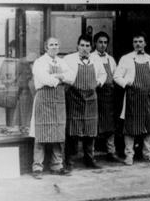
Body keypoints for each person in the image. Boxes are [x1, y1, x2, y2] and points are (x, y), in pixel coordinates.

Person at [29, 37, 75, 179]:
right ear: (45, 47)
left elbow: (72, 77)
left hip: (59, 102)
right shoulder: (39, 62)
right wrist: (60, 78)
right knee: (40, 134)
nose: (54, 47)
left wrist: (58, 76)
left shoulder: (62, 62)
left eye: (56, 44)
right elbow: (44, 79)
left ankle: (57, 165)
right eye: (51, 45)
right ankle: (37, 167)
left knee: (58, 133)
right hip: (44, 100)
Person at [114, 33, 150, 166]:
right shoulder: (126, 58)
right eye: (135, 42)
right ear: (132, 44)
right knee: (130, 127)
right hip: (132, 99)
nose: (138, 44)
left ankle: (148, 153)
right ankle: (129, 155)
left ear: (145, 43)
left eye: (140, 41)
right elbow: (117, 76)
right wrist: (127, 83)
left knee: (149, 126)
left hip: (147, 99)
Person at [63, 35, 106, 170]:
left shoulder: (96, 60)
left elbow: (103, 74)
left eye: (87, 46)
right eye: (82, 45)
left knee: (90, 131)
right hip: (74, 98)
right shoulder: (68, 59)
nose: (85, 48)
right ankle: (69, 161)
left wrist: (98, 83)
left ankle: (89, 159)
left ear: (91, 47)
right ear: (77, 46)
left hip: (91, 99)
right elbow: (63, 74)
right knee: (72, 131)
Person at [90, 31, 121, 162]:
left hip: (109, 95)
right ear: (95, 43)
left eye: (105, 42)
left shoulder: (111, 59)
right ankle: (90, 154)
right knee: (94, 124)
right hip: (96, 93)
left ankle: (111, 152)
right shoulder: (91, 57)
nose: (103, 45)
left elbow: (116, 75)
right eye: (100, 42)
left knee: (110, 125)